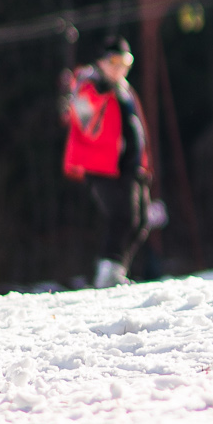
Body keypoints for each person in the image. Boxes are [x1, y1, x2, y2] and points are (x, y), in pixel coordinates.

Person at [60, 36, 152, 287]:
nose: (119, 67)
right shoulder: (90, 84)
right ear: (101, 61)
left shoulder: (123, 88)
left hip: (130, 166)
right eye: (113, 61)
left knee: (141, 221)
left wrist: (143, 163)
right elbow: (82, 120)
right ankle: (107, 275)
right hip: (103, 168)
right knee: (122, 216)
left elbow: (135, 128)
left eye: (125, 62)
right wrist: (98, 90)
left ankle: (116, 270)